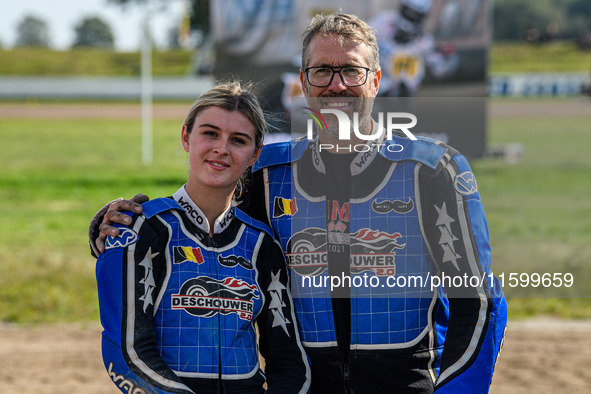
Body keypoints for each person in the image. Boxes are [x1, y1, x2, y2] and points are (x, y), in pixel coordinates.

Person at [90, 13, 507, 394]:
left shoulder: (433, 171)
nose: (336, 84)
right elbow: (200, 224)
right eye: (322, 71)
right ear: (304, 84)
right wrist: (115, 226)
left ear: (376, 80)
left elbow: (481, 301)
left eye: (351, 71)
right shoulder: (268, 172)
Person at [95, 81, 311, 394]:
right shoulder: (141, 231)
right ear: (186, 136)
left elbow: (289, 361)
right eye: (210, 133)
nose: (222, 148)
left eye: (238, 140)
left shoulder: (262, 243)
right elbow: (127, 353)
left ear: (255, 155)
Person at [369, 0, 458, 97]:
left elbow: (440, 69)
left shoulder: (423, 41)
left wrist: (448, 56)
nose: (409, 19)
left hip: (403, 94)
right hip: (375, 84)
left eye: (415, 16)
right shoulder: (383, 21)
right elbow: (360, 39)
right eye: (408, 13)